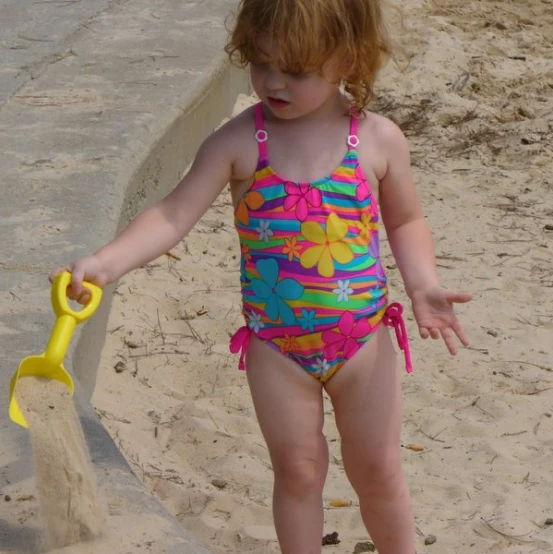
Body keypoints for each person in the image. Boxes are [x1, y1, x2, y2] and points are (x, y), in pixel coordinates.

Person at [51, 0, 472, 551]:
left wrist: (421, 284)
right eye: (260, 62)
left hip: (362, 342)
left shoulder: (376, 139)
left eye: (295, 70)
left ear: (346, 59)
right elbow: (173, 214)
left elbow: (406, 219)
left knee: (378, 472)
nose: (273, 81)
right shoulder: (241, 142)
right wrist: (106, 262)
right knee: (297, 472)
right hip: (278, 350)